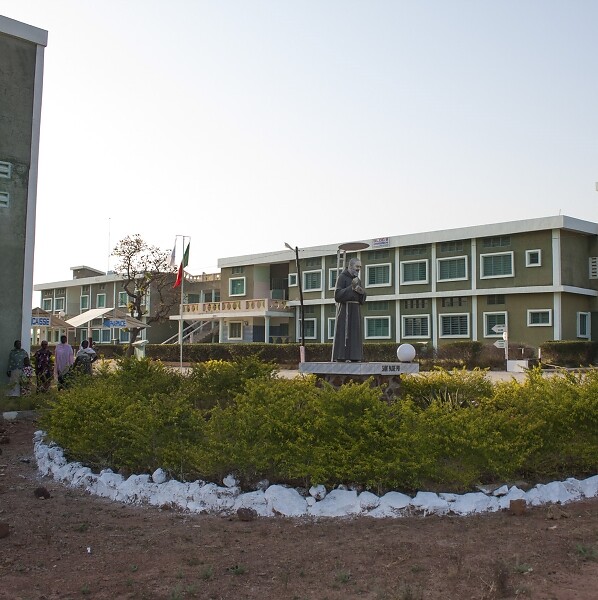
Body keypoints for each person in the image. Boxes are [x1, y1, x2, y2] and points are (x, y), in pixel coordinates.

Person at [331, 258, 367, 362]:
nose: (359, 269)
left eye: (360, 267)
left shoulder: (357, 279)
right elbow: (337, 295)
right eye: (357, 266)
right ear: (350, 266)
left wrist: (361, 292)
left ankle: (355, 356)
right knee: (344, 333)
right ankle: (342, 356)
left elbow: (362, 296)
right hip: (345, 309)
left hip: (355, 309)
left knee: (355, 333)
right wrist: (351, 288)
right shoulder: (342, 277)